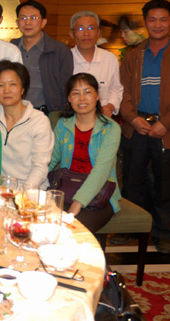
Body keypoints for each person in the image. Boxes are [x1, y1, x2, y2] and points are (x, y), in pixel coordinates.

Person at [119, 0, 170, 254]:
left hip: (169, 129)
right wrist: (132, 118)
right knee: (132, 181)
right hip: (137, 125)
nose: (157, 24)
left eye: (163, 19)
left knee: (164, 184)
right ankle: (130, 227)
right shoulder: (133, 56)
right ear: (145, 23)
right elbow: (122, 92)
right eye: (152, 19)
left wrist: (167, 123)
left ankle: (161, 232)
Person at [49, 73, 122, 233]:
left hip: (100, 195)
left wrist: (78, 203)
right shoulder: (63, 124)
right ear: (69, 98)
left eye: (87, 92)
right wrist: (31, 185)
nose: (82, 98)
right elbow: (51, 159)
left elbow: (101, 172)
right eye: (75, 93)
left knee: (72, 231)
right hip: (67, 188)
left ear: (97, 96)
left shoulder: (110, 129)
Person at [0, 61, 53, 188]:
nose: (7, 90)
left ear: (23, 89)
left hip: (30, 188)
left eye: (12, 84)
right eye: (0, 85)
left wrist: (24, 192)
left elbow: (40, 167)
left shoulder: (39, 121)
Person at [11, 0, 73, 117]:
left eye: (33, 18)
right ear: (17, 22)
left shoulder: (60, 51)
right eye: (23, 18)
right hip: (14, 113)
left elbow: (66, 87)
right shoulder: (10, 48)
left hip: (47, 114)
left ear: (43, 22)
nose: (27, 22)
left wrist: (61, 114)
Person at [69, 11, 123, 118]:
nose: (86, 33)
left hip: (103, 118)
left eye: (91, 28)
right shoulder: (65, 58)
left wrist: (111, 106)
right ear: (72, 34)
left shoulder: (110, 58)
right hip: (73, 118)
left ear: (98, 33)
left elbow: (116, 88)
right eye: (80, 28)